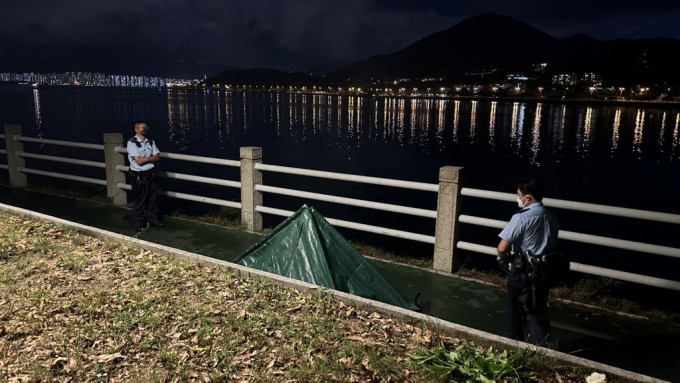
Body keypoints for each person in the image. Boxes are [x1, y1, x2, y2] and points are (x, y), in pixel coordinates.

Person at [497, 177, 559, 347]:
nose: (518, 199)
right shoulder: (551, 217)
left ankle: (513, 346)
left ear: (528, 198)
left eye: (519, 195)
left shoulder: (521, 217)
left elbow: (502, 247)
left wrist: (501, 257)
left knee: (516, 310)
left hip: (521, 265)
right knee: (538, 311)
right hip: (545, 267)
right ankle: (544, 349)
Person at [127, 121, 162, 232]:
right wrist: (150, 158)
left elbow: (157, 156)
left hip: (151, 174)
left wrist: (146, 159)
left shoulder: (150, 141)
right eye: (143, 128)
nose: (145, 130)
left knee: (152, 199)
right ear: (136, 129)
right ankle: (138, 222)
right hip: (139, 177)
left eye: (146, 128)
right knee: (140, 200)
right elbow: (139, 161)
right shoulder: (132, 143)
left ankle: (153, 219)